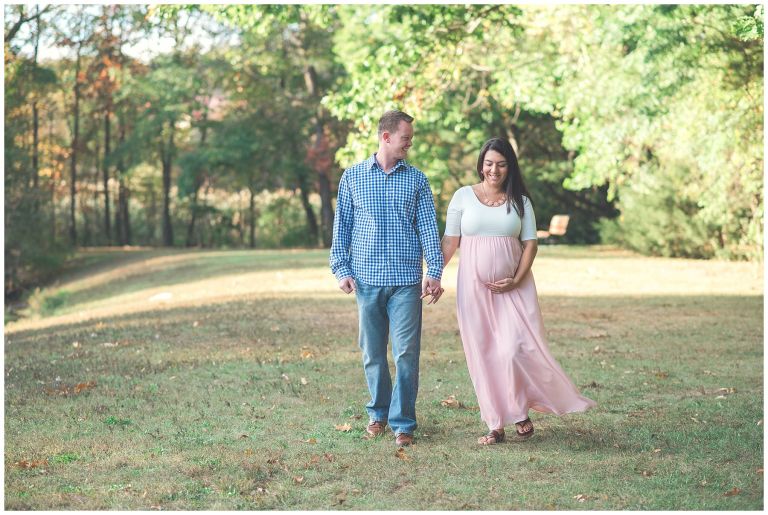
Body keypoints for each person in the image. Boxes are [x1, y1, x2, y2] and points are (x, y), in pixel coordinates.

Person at [441, 137, 596, 445]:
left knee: (512, 349)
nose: (493, 170)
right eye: (488, 164)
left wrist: (515, 278)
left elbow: (531, 245)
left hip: (514, 288)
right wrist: (433, 274)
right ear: (480, 165)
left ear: (509, 167)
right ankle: (496, 424)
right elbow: (450, 241)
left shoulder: (520, 202)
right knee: (483, 353)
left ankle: (520, 408)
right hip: (473, 290)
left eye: (500, 164)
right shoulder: (462, 197)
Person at [330, 110, 444, 447]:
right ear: (386, 137)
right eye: (405, 138)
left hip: (406, 281)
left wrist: (434, 271)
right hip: (366, 280)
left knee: (406, 352)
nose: (410, 143)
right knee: (373, 352)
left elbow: (427, 228)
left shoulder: (417, 180)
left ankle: (403, 423)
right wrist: (341, 269)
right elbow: (343, 229)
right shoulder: (352, 177)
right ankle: (378, 414)